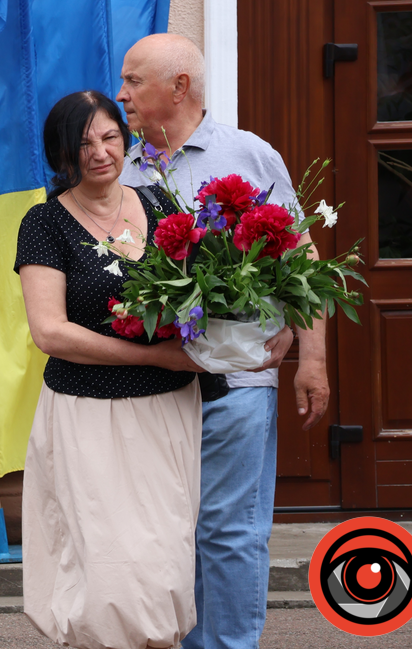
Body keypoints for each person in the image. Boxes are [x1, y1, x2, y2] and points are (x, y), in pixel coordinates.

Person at [116, 34, 330, 649]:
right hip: (154, 387)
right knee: (168, 531)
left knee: (228, 531)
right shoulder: (122, 170)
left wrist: (311, 358)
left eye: (134, 81)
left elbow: (301, 258)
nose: (121, 94)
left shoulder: (248, 155)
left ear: (179, 87)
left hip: (239, 379)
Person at [17, 90, 205, 649]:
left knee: (165, 560)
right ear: (61, 154)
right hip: (88, 417)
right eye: (84, 143)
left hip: (168, 411)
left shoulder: (163, 205)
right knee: (109, 568)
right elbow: (50, 332)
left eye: (110, 137)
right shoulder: (44, 223)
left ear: (127, 140)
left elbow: (200, 298)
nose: (100, 152)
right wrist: (152, 354)